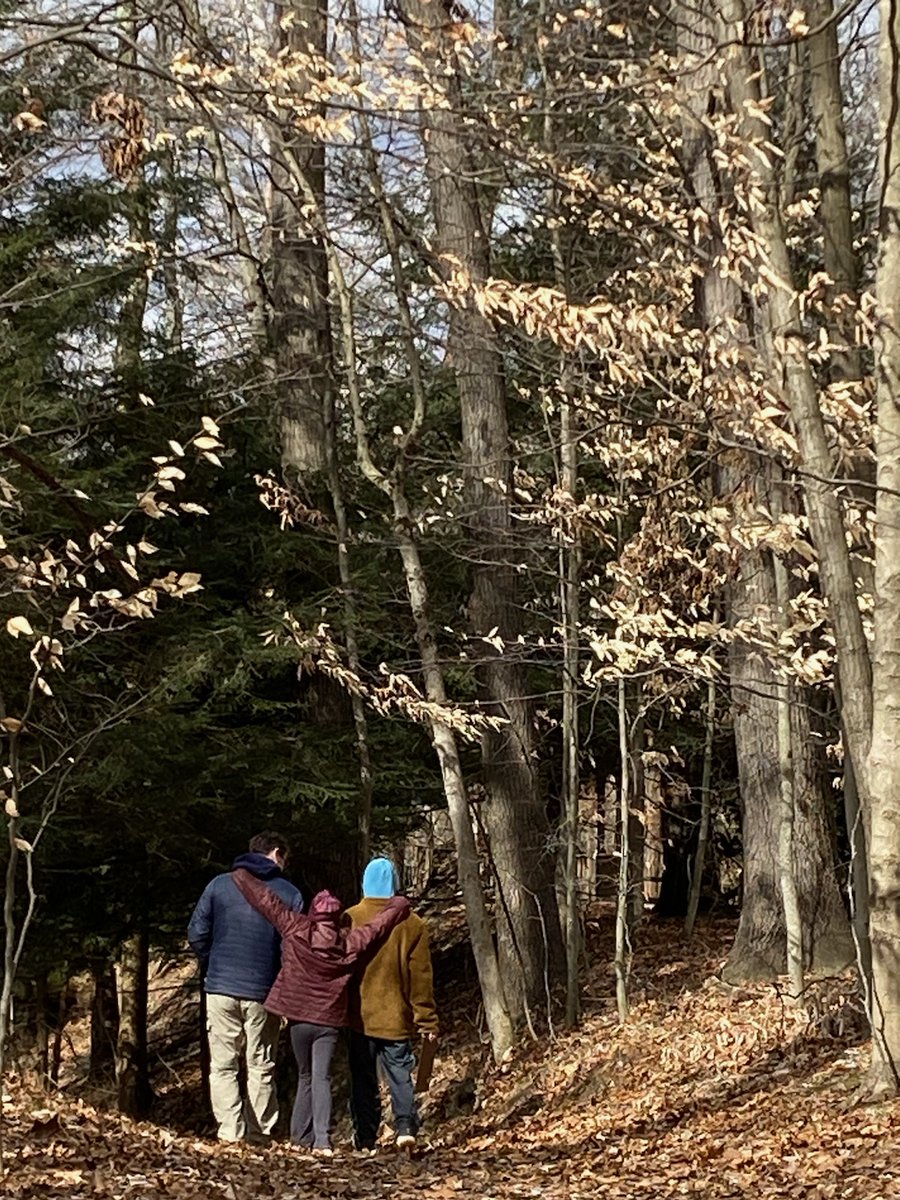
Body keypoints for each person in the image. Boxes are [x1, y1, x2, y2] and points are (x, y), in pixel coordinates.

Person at [231, 867, 411, 1157]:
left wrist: (241, 875)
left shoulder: (296, 927)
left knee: (305, 1076)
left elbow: (267, 901)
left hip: (299, 1018)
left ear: (314, 912)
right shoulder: (349, 943)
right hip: (328, 1021)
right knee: (321, 1078)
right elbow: (378, 926)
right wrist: (399, 904)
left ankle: (300, 1138)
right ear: (338, 916)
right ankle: (322, 1141)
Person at [187, 831, 303, 1144]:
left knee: (223, 1065)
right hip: (265, 991)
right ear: (277, 853)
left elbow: (197, 933)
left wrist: (214, 963)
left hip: (221, 987)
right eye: (285, 857)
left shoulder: (219, 885)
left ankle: (229, 1133)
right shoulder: (290, 894)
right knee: (261, 1065)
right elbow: (293, 949)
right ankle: (260, 1133)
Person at [345, 857, 439, 1153]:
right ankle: (405, 1128)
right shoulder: (413, 923)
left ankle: (365, 1137)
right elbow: (420, 976)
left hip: (358, 1016)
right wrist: (427, 1020)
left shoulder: (349, 918)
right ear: (394, 883)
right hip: (396, 1017)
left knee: (362, 1079)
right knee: (400, 1075)